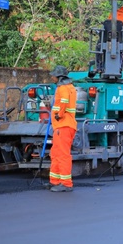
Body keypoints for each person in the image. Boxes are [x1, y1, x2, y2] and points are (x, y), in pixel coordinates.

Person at [48, 65, 77, 193]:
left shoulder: (63, 88)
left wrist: (58, 115)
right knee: (55, 154)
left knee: (62, 155)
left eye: (53, 75)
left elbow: (64, 102)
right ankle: (55, 181)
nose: (52, 77)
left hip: (63, 126)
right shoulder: (69, 87)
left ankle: (66, 183)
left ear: (59, 77)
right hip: (62, 126)